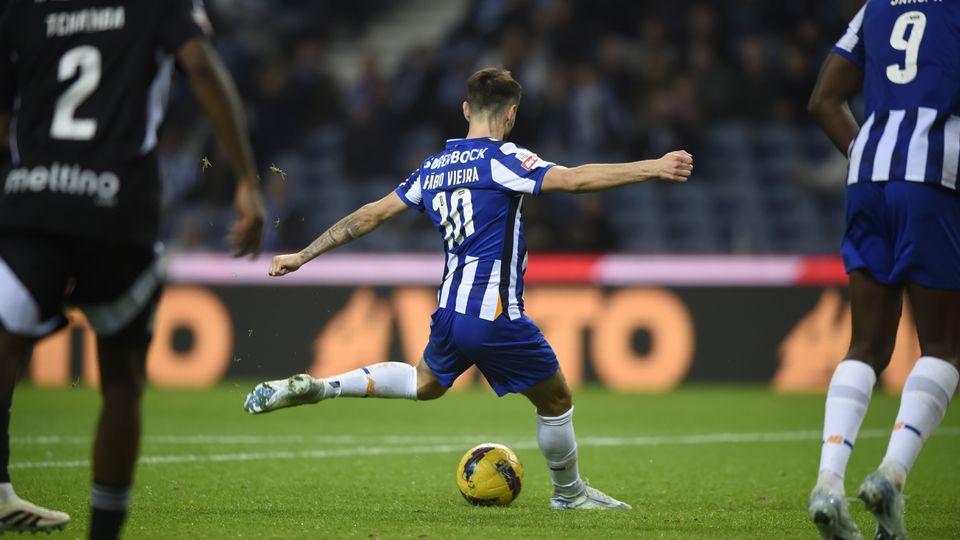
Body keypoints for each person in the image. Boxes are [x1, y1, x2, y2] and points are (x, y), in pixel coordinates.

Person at [244, 67, 692, 510]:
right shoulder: (505, 159)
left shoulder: (433, 167)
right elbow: (573, 180)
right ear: (511, 113)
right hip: (493, 312)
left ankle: (324, 387)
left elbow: (369, 216)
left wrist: (302, 254)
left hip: (450, 312)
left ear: (465, 110)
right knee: (556, 399)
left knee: (426, 382)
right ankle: (570, 495)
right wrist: (653, 166)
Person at [0, 0, 264, 536]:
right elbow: (200, 65)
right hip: (117, 208)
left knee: (6, 344)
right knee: (121, 381)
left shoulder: (21, 11)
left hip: (33, 201)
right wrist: (247, 180)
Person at [806, 2, 960, 539]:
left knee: (866, 346)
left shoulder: (876, 6)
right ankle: (891, 476)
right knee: (942, 345)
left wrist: (874, 156)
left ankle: (828, 481)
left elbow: (824, 99)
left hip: (868, 173)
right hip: (934, 176)